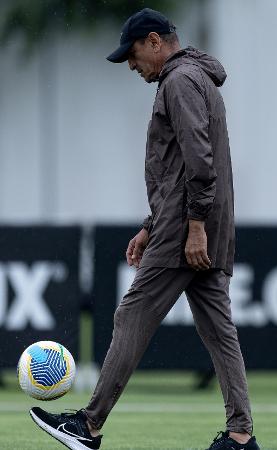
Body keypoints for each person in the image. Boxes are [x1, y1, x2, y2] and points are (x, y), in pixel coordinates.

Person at [29, 8, 260, 450]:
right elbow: (180, 166)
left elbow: (199, 159)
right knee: (218, 329)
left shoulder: (178, 81)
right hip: (196, 222)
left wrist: (191, 227)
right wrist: (151, 225)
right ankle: (241, 435)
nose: (132, 66)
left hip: (189, 227)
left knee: (132, 313)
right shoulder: (196, 77)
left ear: (155, 41)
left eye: (133, 55)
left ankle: (88, 425)